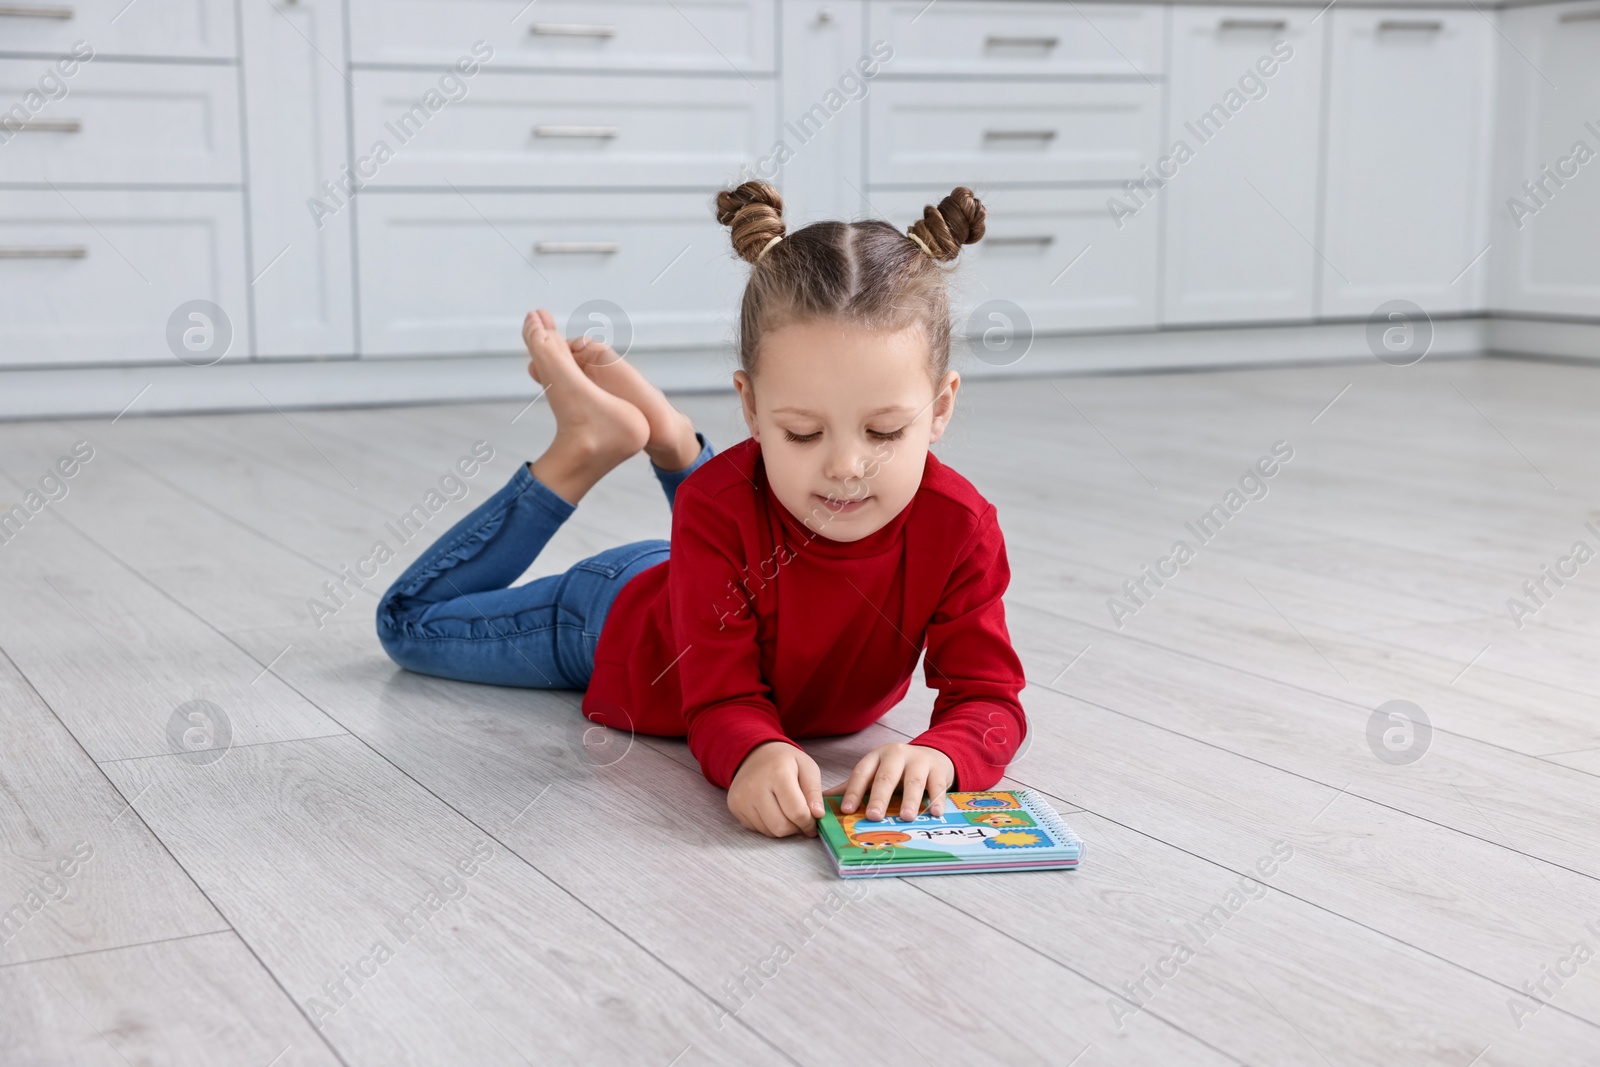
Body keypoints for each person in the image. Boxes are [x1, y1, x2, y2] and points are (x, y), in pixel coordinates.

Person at [376, 180, 1027, 839]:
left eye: (884, 432)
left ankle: (671, 438)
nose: (846, 466)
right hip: (613, 617)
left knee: (733, 501)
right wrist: (754, 749)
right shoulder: (716, 509)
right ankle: (580, 451)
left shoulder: (962, 526)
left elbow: (989, 697)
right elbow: (720, 696)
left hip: (722, 569)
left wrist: (944, 753)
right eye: (803, 431)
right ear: (750, 407)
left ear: (940, 408)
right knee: (406, 625)